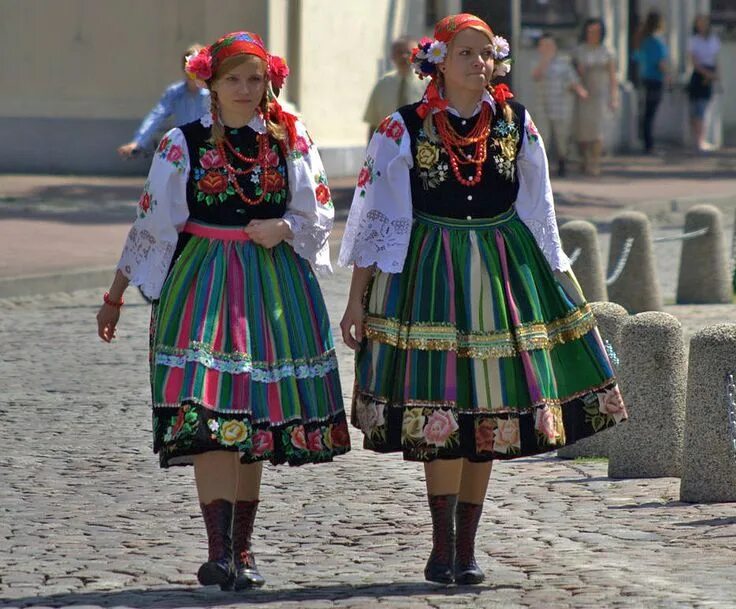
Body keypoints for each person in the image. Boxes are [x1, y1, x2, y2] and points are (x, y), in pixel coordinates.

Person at [338, 13, 626, 586]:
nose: (479, 63)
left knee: (489, 412)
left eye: (486, 53)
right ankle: (440, 545)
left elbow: (539, 210)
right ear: (438, 61)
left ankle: (465, 548)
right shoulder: (401, 128)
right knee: (441, 408)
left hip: (500, 273)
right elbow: (374, 218)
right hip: (429, 273)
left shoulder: (517, 121)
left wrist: (558, 282)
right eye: (465, 53)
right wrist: (357, 302)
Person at [97, 31, 350, 591]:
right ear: (209, 81)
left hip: (272, 286)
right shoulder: (180, 143)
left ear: (269, 83)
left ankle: (243, 550)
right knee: (208, 410)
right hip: (202, 284)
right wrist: (115, 296)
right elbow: (151, 225)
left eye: (254, 79)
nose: (244, 89)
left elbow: (318, 210)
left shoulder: (288, 137)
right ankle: (218, 552)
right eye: (232, 78)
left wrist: (282, 227)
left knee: (250, 414)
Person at [117, 43, 211, 158]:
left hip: (208, 151)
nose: (194, 73)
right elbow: (156, 116)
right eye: (191, 67)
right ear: (185, 68)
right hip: (183, 150)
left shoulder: (212, 94)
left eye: (199, 67)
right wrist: (137, 142)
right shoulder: (174, 92)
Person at [531, 33, 588, 176]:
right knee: (543, 136)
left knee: (562, 136)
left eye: (549, 45)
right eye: (544, 45)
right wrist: (545, 60)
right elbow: (536, 75)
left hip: (561, 106)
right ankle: (543, 166)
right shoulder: (536, 61)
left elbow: (573, 80)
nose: (547, 48)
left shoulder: (564, 62)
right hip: (542, 105)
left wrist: (580, 91)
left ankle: (563, 161)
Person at [572, 18, 618, 176]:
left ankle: (595, 162)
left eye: (597, 32)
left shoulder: (607, 52)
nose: (593, 35)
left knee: (598, 130)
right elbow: (573, 73)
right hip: (585, 93)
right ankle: (584, 159)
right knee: (583, 131)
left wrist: (614, 96)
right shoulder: (580, 50)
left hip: (600, 94)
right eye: (591, 31)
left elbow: (613, 76)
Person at [364, 36, 426, 143]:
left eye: (408, 52)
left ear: (417, 55)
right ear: (392, 56)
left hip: (420, 145)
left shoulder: (428, 84)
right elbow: (373, 122)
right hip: (388, 145)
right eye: (399, 52)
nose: (404, 56)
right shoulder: (383, 84)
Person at [635, 11, 670, 154]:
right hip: (656, 79)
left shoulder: (643, 40)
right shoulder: (657, 41)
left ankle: (646, 142)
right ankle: (649, 145)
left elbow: (636, 57)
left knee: (646, 112)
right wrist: (668, 75)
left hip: (644, 78)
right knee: (651, 113)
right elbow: (661, 62)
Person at [687, 14, 720, 151]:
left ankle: (701, 139)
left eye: (704, 23)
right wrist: (706, 74)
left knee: (703, 109)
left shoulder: (713, 40)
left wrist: (715, 75)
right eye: (699, 23)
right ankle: (697, 139)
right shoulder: (693, 40)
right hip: (699, 74)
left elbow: (716, 60)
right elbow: (694, 61)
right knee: (695, 109)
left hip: (710, 74)